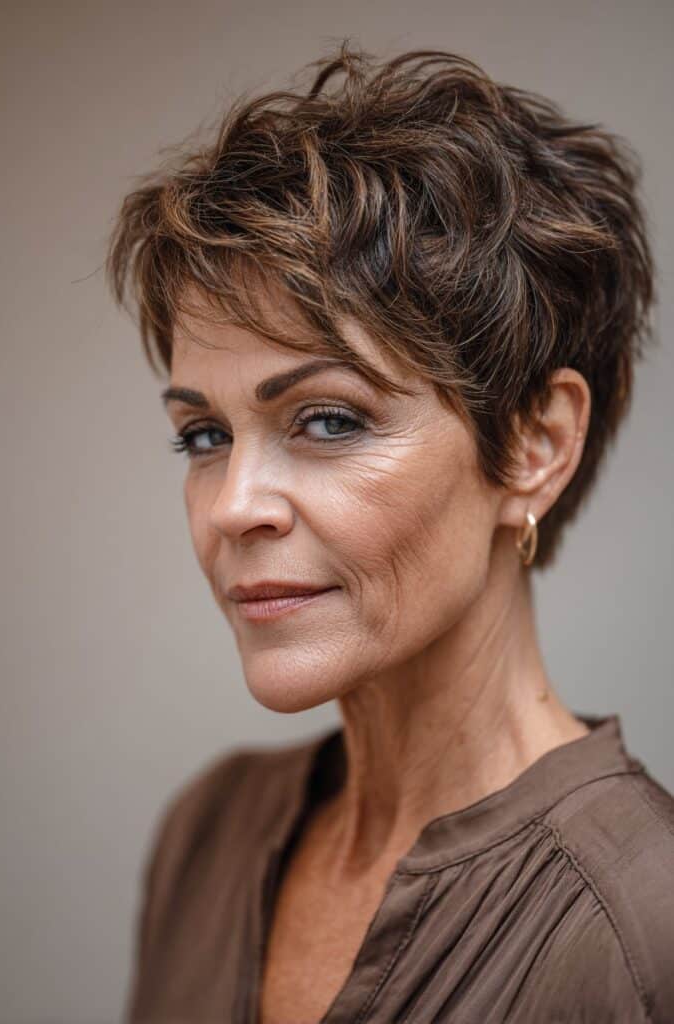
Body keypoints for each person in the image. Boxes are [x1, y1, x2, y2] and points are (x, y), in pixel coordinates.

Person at [107, 40, 674, 1023]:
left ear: (535, 444)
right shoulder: (206, 834)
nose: (235, 503)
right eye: (202, 434)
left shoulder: (639, 927)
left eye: (327, 418)